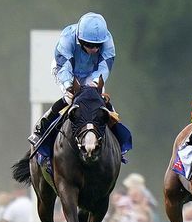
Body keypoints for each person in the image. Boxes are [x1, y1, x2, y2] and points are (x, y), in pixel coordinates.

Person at [27, 12, 132, 160]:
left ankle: (118, 141)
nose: (95, 49)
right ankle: (40, 129)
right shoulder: (67, 39)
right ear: (80, 40)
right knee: (70, 99)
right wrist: (70, 86)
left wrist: (95, 84)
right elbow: (64, 67)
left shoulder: (108, 41)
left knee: (98, 101)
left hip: (91, 73)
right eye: (89, 45)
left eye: (98, 45)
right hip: (66, 70)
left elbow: (104, 67)